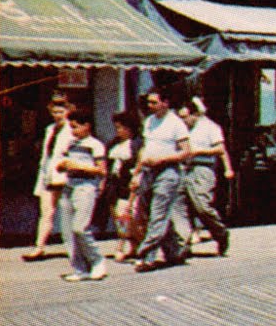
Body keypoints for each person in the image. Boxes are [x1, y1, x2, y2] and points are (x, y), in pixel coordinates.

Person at [130, 88, 195, 271]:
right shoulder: (150, 121)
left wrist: (162, 159)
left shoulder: (176, 124)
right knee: (153, 214)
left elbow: (186, 151)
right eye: (148, 102)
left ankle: (146, 256)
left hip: (167, 172)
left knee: (158, 215)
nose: (150, 106)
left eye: (154, 102)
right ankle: (175, 251)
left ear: (165, 103)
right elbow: (145, 147)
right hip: (149, 171)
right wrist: (137, 172)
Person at [55, 109, 109, 282]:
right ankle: (80, 268)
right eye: (71, 128)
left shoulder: (95, 145)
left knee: (80, 227)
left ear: (87, 126)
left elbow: (101, 170)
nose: (73, 131)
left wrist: (77, 166)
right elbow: (63, 164)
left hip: (85, 187)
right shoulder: (71, 143)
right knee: (69, 230)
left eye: (76, 127)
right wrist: (63, 166)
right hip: (69, 186)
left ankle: (97, 260)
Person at [175, 99, 232, 256]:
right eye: (180, 117)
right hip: (182, 168)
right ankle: (183, 244)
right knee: (179, 207)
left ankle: (220, 233)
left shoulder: (210, 127)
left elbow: (220, 148)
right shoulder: (179, 129)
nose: (183, 121)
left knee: (201, 206)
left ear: (195, 115)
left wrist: (198, 151)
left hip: (202, 167)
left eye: (185, 117)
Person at [23, 94, 75, 261]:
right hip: (48, 175)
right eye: (54, 112)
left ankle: (73, 248)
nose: (57, 115)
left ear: (67, 111)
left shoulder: (72, 130)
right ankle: (39, 247)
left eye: (60, 111)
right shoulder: (50, 129)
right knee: (46, 212)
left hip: (64, 175)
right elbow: (46, 155)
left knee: (68, 213)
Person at [105, 111, 143, 263]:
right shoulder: (114, 144)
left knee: (127, 216)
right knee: (117, 216)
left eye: (121, 127)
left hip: (129, 184)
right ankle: (133, 245)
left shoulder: (137, 144)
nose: (118, 131)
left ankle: (121, 246)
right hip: (115, 184)